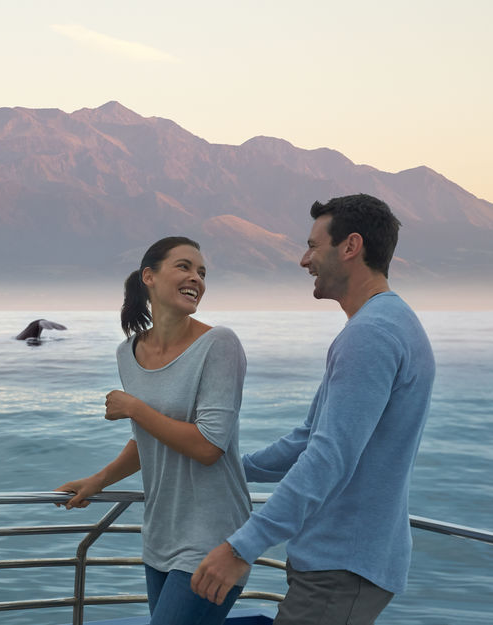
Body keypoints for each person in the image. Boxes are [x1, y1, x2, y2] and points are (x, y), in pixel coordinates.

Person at [191, 194, 435, 625]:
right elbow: (308, 438)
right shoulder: (385, 323)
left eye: (313, 246)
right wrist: (231, 466)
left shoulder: (371, 335)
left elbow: (329, 457)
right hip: (344, 560)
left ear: (350, 247)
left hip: (342, 566)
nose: (305, 260)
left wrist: (241, 547)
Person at [55, 236, 251, 625]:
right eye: (184, 266)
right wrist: (99, 480)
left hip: (215, 537)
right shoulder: (126, 354)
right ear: (149, 276)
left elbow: (209, 446)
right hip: (160, 533)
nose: (196, 277)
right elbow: (148, 440)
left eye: (202, 272)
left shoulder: (219, 344)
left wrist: (134, 408)